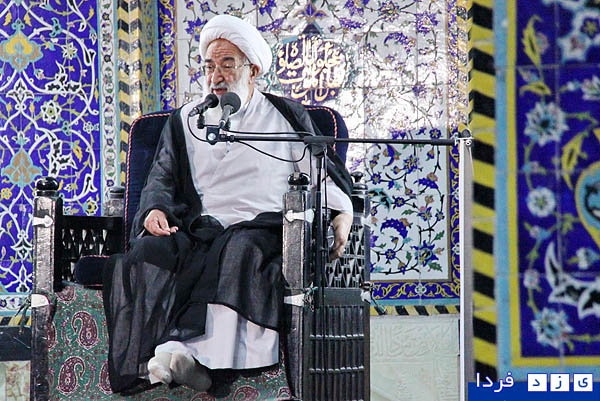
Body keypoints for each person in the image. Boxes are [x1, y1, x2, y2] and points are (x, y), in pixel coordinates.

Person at [102, 14, 354, 394]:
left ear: (253, 71)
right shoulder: (187, 120)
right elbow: (162, 178)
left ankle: (206, 365)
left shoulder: (283, 116)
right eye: (209, 66)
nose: (216, 76)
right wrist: (154, 210)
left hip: (263, 227)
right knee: (149, 251)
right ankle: (154, 359)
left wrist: (340, 214)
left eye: (227, 64)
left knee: (239, 249)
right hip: (199, 227)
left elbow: (323, 175)